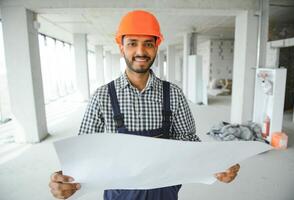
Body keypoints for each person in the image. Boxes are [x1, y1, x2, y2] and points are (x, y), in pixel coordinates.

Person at [49, 10, 240, 200]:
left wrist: (214, 164)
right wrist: (65, 180)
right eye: (132, 43)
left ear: (156, 47)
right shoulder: (102, 97)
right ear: (122, 47)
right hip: (120, 193)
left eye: (148, 44)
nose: (141, 51)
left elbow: (188, 142)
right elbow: (84, 153)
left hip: (164, 191)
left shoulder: (173, 94)